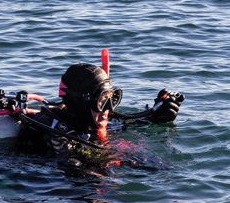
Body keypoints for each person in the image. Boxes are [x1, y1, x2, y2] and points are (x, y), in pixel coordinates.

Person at [12, 62, 182, 162]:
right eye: (102, 100)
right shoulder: (53, 133)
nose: (108, 108)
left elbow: (129, 123)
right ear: (82, 103)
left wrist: (156, 116)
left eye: (111, 98)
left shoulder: (95, 120)